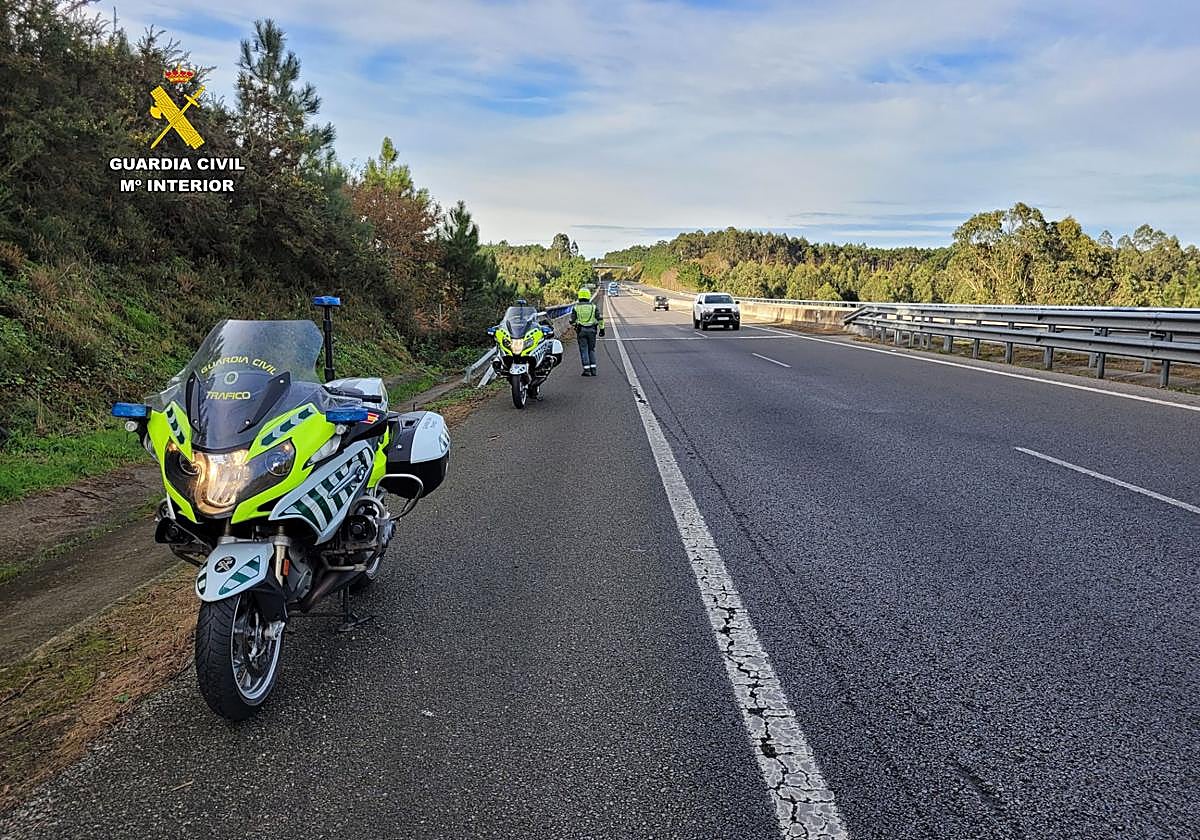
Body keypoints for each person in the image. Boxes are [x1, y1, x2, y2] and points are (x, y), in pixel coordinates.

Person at [569, 287, 604, 376]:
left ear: (579, 296)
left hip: (581, 331)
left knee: (584, 350)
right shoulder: (593, 307)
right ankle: (593, 370)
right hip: (592, 331)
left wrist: (574, 323)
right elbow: (599, 318)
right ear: (589, 296)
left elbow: (572, 321)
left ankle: (586, 370)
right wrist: (602, 329)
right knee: (591, 350)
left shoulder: (576, 308)